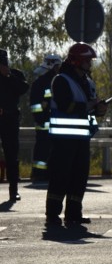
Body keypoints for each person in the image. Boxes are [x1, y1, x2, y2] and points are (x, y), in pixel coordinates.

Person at [45, 43, 108, 226]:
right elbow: (66, 106)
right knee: (60, 176)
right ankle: (52, 214)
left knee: (79, 177)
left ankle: (74, 214)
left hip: (81, 139)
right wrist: (89, 106)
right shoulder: (61, 80)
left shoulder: (87, 82)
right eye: (88, 60)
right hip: (63, 139)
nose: (91, 64)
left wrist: (100, 109)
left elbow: (89, 108)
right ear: (77, 61)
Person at [0, 49, 30, 202]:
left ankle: (14, 190)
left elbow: (24, 88)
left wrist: (8, 75)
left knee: (12, 155)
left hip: (9, 120)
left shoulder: (15, 75)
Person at [28, 53, 62, 183]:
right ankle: (38, 173)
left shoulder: (53, 80)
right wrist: (40, 119)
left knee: (48, 151)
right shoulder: (42, 81)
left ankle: (45, 173)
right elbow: (36, 104)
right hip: (44, 124)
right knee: (42, 150)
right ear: (53, 65)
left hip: (51, 123)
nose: (59, 68)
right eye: (58, 66)